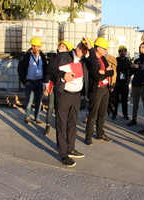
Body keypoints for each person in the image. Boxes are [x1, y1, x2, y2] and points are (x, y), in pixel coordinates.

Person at [46, 38, 92, 167]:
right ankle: (63, 154)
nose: (81, 50)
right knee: (61, 124)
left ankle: (70, 148)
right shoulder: (62, 56)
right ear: (76, 46)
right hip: (63, 95)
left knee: (72, 123)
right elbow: (49, 69)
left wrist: (91, 50)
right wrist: (62, 74)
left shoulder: (85, 61)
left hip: (76, 96)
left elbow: (94, 64)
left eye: (84, 49)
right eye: (80, 46)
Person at [84, 37, 114, 146]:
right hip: (96, 90)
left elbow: (111, 72)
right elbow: (96, 76)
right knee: (93, 114)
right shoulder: (91, 60)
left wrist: (103, 72)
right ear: (97, 48)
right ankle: (88, 136)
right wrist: (102, 72)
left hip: (104, 89)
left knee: (102, 113)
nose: (106, 51)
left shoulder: (103, 59)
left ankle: (100, 133)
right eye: (104, 49)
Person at [44, 40, 74, 135]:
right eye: (60, 45)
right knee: (51, 106)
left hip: (64, 87)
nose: (60, 47)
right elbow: (48, 71)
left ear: (67, 49)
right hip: (53, 85)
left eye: (63, 46)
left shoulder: (69, 61)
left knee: (60, 108)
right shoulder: (54, 59)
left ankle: (60, 126)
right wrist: (46, 84)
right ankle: (48, 125)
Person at [18, 37, 47, 124]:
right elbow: (20, 70)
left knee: (38, 101)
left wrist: (44, 80)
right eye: (38, 46)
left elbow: (45, 68)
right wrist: (24, 81)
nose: (39, 48)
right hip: (29, 82)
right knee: (29, 101)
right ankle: (27, 116)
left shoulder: (41, 56)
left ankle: (37, 118)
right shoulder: (25, 56)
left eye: (40, 47)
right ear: (33, 46)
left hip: (39, 82)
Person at [127, 36, 144, 126]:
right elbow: (130, 73)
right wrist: (131, 68)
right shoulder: (137, 61)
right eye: (140, 48)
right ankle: (134, 119)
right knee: (135, 104)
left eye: (142, 48)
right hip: (135, 85)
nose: (141, 49)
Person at [111, 45, 131, 120]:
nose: (123, 53)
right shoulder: (116, 60)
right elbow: (113, 71)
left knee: (124, 100)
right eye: (121, 51)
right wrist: (113, 82)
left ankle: (125, 114)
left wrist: (128, 82)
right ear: (119, 52)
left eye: (124, 51)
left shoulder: (127, 61)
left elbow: (130, 72)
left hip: (124, 84)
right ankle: (114, 113)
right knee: (115, 100)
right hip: (117, 84)